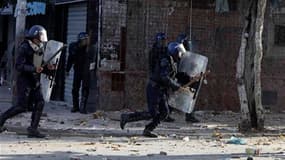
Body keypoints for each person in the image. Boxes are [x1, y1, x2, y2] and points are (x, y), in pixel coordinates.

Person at [121, 41, 188, 138]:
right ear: (174, 52)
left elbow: (174, 75)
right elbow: (164, 77)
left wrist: (188, 77)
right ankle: (127, 117)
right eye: (179, 52)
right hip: (154, 89)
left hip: (161, 90)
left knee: (164, 113)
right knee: (152, 113)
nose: (180, 54)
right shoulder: (165, 61)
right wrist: (176, 86)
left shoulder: (172, 61)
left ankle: (148, 129)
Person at [0, 25, 55, 138]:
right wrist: (34, 69)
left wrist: (47, 68)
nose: (41, 40)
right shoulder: (24, 47)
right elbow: (19, 66)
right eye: (39, 37)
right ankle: (1, 119)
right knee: (21, 106)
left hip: (34, 80)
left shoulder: (39, 47)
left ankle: (33, 130)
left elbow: (40, 64)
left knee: (40, 102)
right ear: (34, 37)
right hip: (24, 81)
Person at [66, 32, 91, 114]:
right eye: (85, 40)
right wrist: (67, 70)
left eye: (87, 40)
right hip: (77, 70)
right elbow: (70, 59)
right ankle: (75, 106)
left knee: (85, 88)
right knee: (75, 88)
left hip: (86, 71)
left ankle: (82, 107)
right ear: (80, 40)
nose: (86, 41)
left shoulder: (89, 48)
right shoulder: (73, 47)